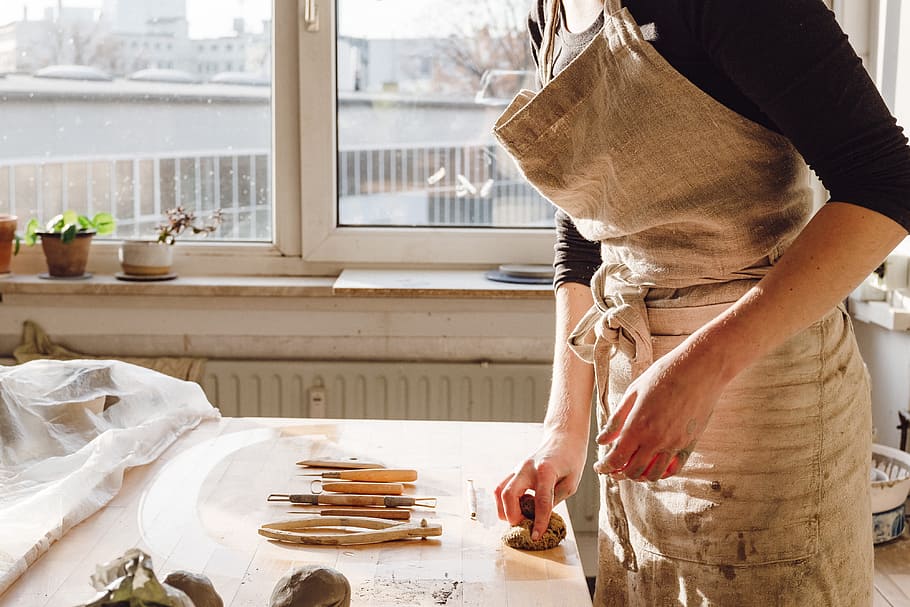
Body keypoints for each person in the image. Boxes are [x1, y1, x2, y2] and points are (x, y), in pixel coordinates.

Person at [492, 0, 910, 604]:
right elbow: (585, 232)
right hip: (636, 396)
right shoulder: (551, 14)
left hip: (765, 403)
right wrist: (565, 426)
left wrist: (699, 368)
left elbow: (887, 184)